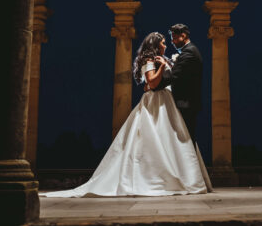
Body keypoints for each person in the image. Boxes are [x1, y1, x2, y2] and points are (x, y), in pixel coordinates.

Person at [44, 31, 212, 197]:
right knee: (153, 138)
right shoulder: (149, 60)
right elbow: (152, 83)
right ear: (154, 45)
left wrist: (165, 65)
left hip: (167, 102)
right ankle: (155, 178)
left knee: (172, 139)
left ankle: (178, 176)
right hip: (155, 104)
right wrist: (161, 66)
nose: (165, 45)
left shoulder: (163, 59)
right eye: (162, 42)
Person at [147, 23, 202, 145]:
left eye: (174, 38)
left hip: (185, 104)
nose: (172, 41)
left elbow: (173, 76)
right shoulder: (189, 51)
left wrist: (155, 85)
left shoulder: (189, 52)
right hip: (183, 103)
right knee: (183, 141)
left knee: (185, 141)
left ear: (183, 35)